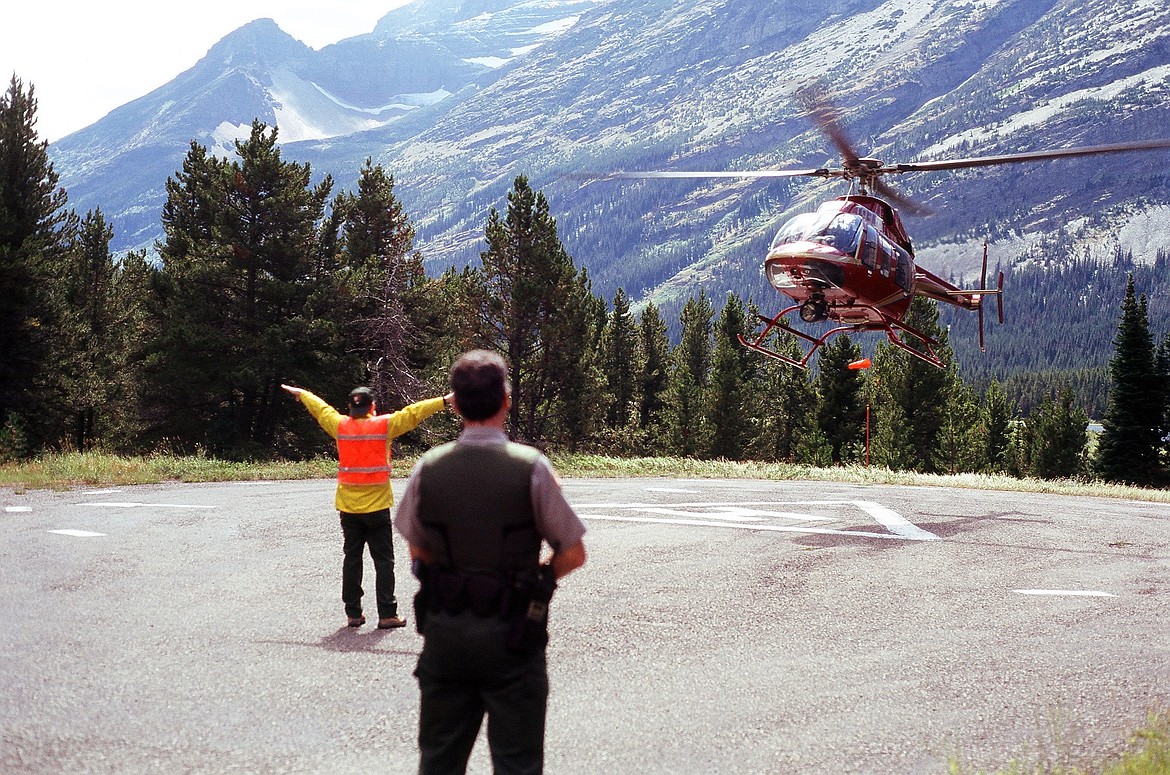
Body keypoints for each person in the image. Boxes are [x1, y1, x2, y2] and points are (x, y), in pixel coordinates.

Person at [394, 350, 586, 775]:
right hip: (512, 635)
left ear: (456, 404)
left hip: (445, 634)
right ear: (506, 400)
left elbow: (416, 546)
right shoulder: (532, 468)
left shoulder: (428, 468)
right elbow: (573, 552)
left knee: (439, 760)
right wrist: (539, 579)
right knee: (517, 763)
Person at [281, 382, 452, 629]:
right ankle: (387, 613)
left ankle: (353, 613)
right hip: (377, 507)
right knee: (383, 561)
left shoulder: (339, 425)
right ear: (373, 406)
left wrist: (303, 394)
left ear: (350, 407)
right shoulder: (383, 425)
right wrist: (444, 400)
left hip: (348, 507)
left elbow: (321, 409)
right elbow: (413, 413)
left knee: (352, 558)